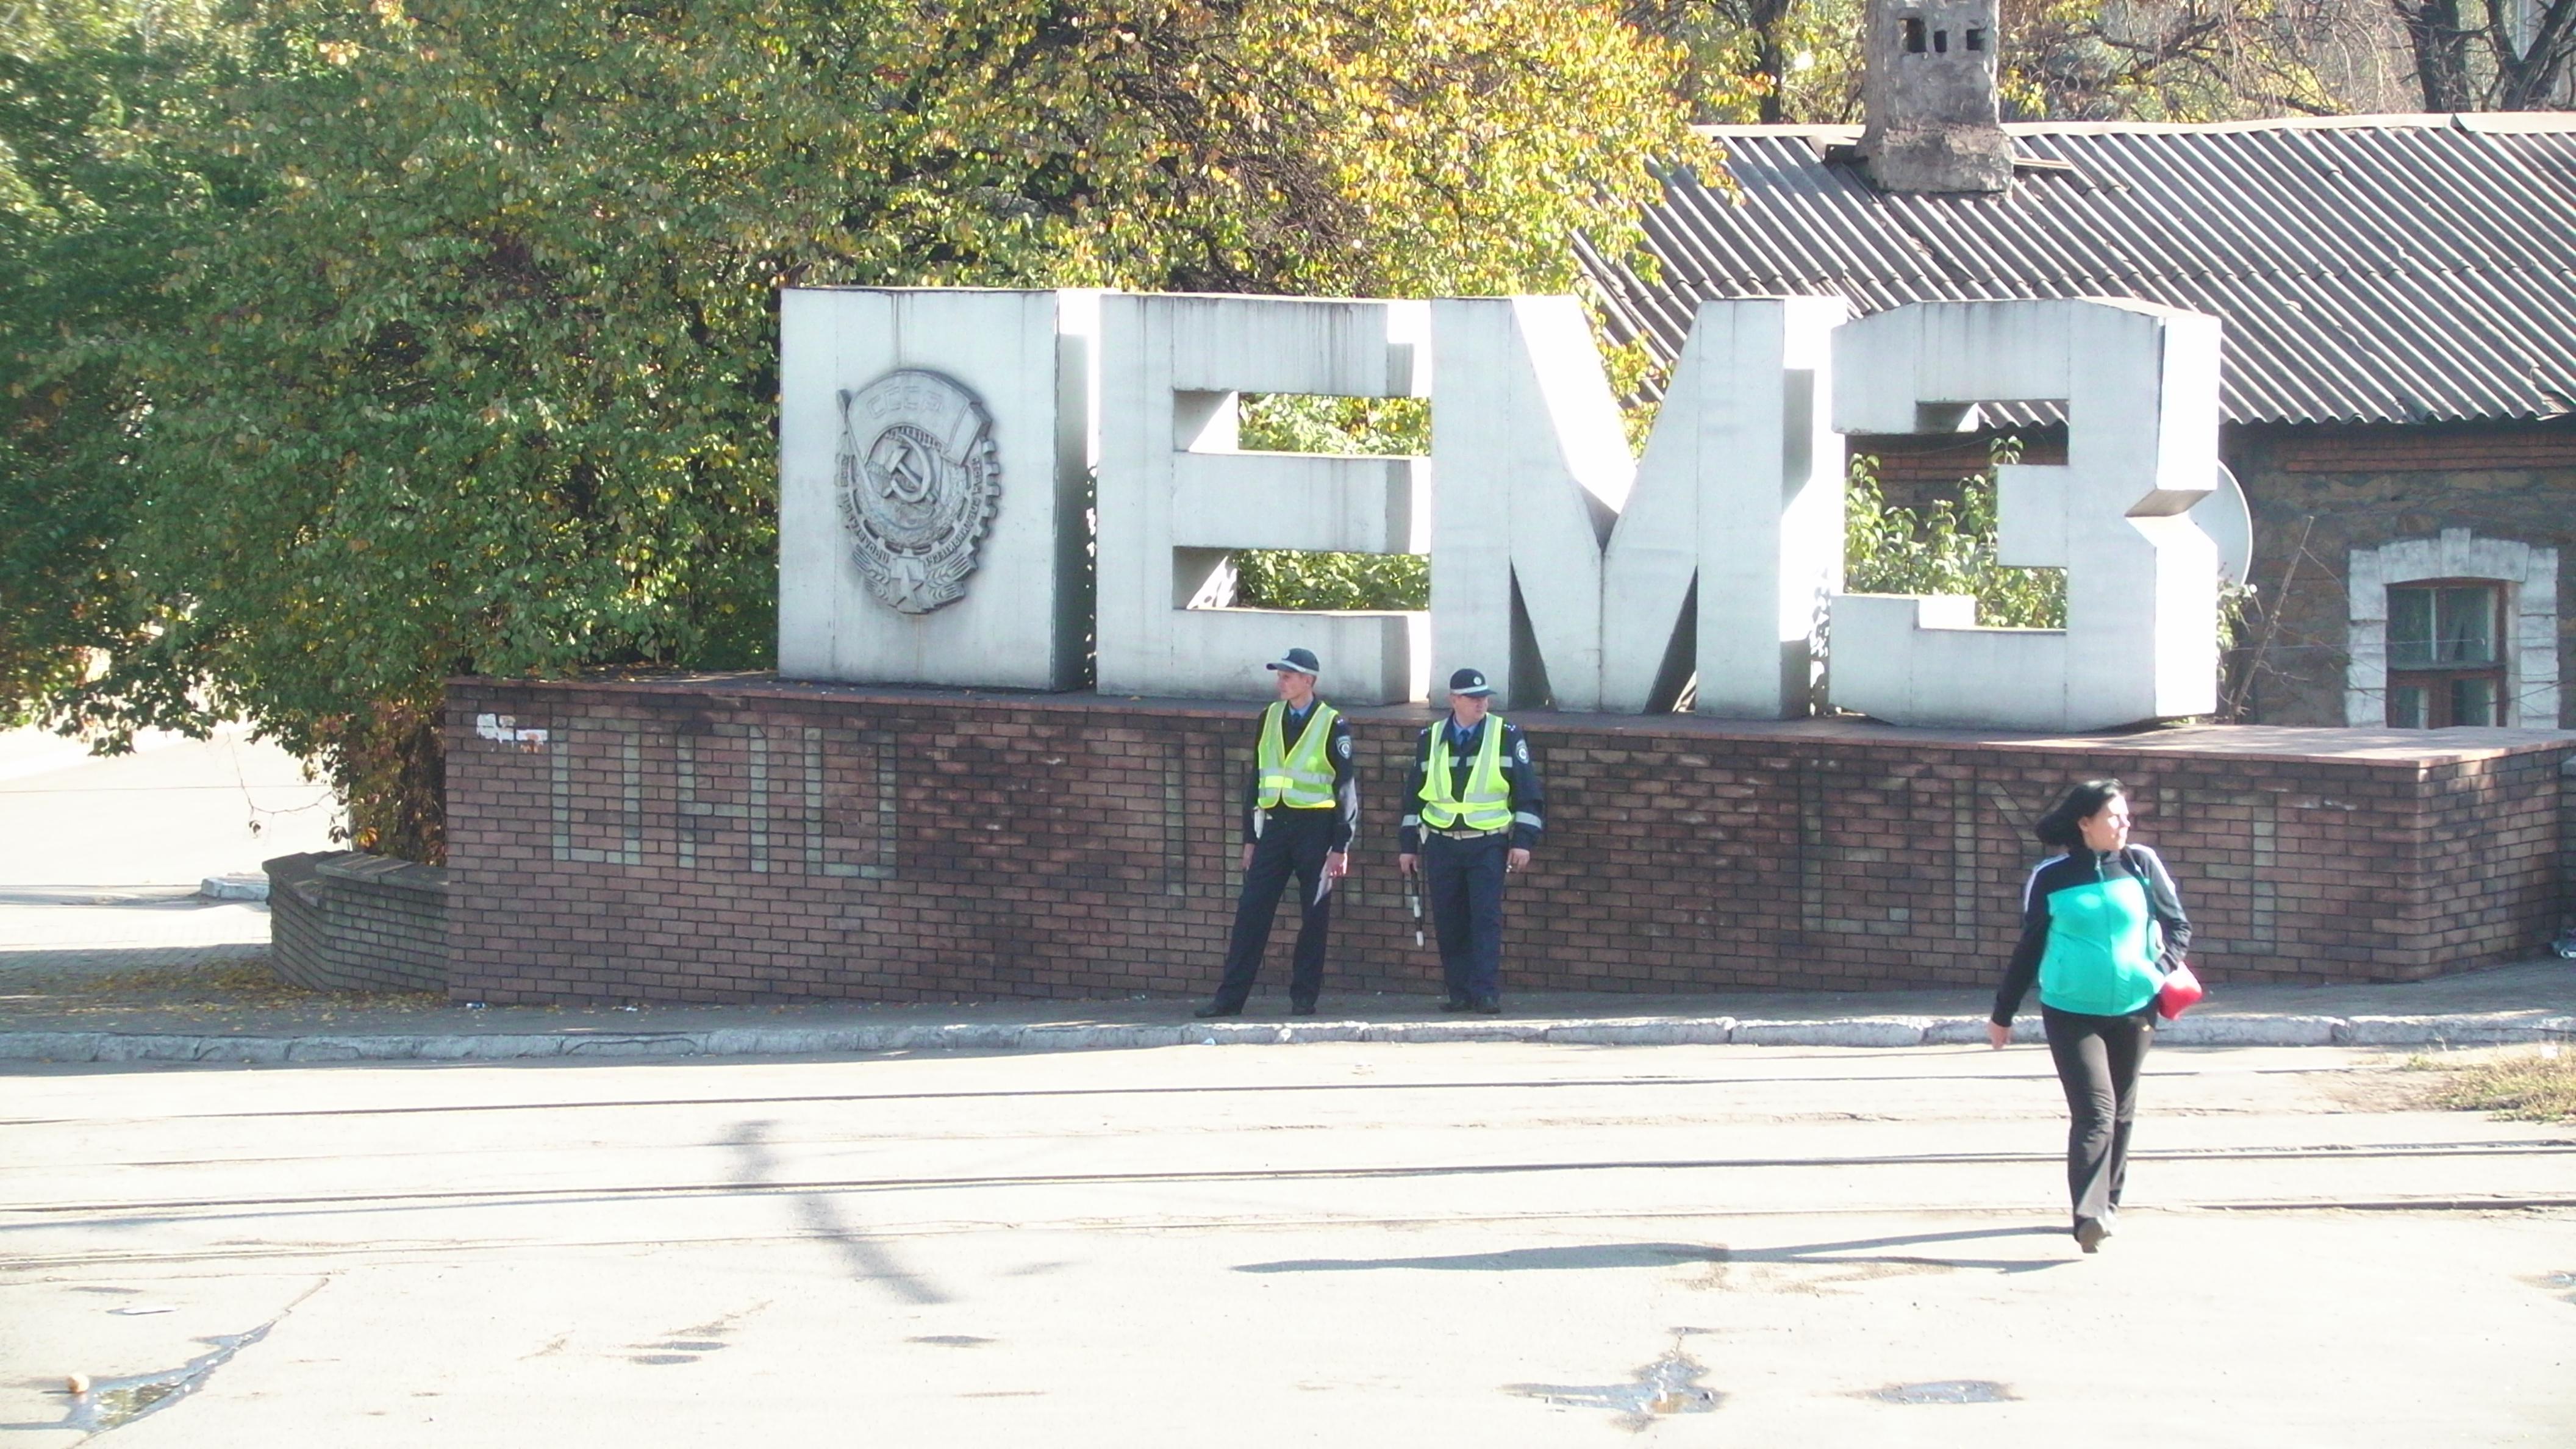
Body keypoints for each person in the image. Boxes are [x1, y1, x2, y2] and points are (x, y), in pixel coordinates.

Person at [1986, 778, 2193, 1254]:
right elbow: (2030, 945)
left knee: (2121, 1110)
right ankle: (2088, 1214)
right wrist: (2004, 1012)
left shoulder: (2140, 865)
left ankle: (2109, 1204)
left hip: (2134, 1009)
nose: (2125, 824)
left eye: (2126, 816)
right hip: (2071, 1010)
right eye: (2113, 817)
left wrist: (2156, 971)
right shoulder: (2051, 877)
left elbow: (2178, 924)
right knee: (2095, 1112)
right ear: (2085, 824)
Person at [1195, 648, 1356, 1018]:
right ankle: (1229, 1000)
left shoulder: (1333, 723)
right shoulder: (1269, 716)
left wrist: (1340, 845)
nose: (1280, 681)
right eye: (1280, 675)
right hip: (1274, 827)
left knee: (1313, 916)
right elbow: (1256, 779)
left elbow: (1345, 787)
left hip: (1316, 828)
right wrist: (1250, 840)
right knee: (1251, 912)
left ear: (1309, 681)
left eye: (1288, 675)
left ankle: (1304, 998)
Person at [1397, 668, 1544, 1015]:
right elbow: (1413, 796)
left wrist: (1523, 841)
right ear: (1454, 700)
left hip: (1488, 842)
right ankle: (1459, 992)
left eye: (1484, 697)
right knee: (1449, 919)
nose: (1482, 703)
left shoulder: (1505, 734)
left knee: (1485, 919)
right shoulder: (1430, 737)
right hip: (1441, 842)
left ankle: (1486, 993)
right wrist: (1407, 846)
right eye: (1473, 698)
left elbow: (1528, 792)